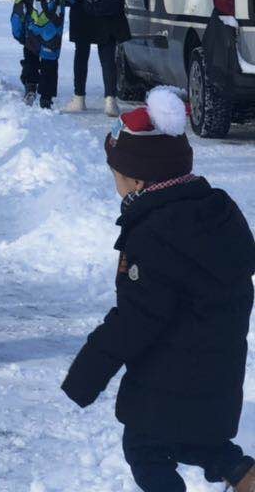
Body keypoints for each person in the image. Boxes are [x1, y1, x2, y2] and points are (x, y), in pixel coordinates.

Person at [61, 87, 255, 492]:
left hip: (169, 380)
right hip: (219, 376)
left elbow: (134, 321)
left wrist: (86, 376)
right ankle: (244, 475)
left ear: (135, 178)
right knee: (206, 443)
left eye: (115, 174)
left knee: (145, 450)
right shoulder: (219, 210)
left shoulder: (153, 236)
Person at [11, 0, 64, 109]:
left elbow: (17, 14)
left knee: (31, 59)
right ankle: (46, 97)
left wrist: (19, 34)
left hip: (31, 34)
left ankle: (31, 87)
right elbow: (73, 0)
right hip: (53, 35)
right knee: (50, 65)